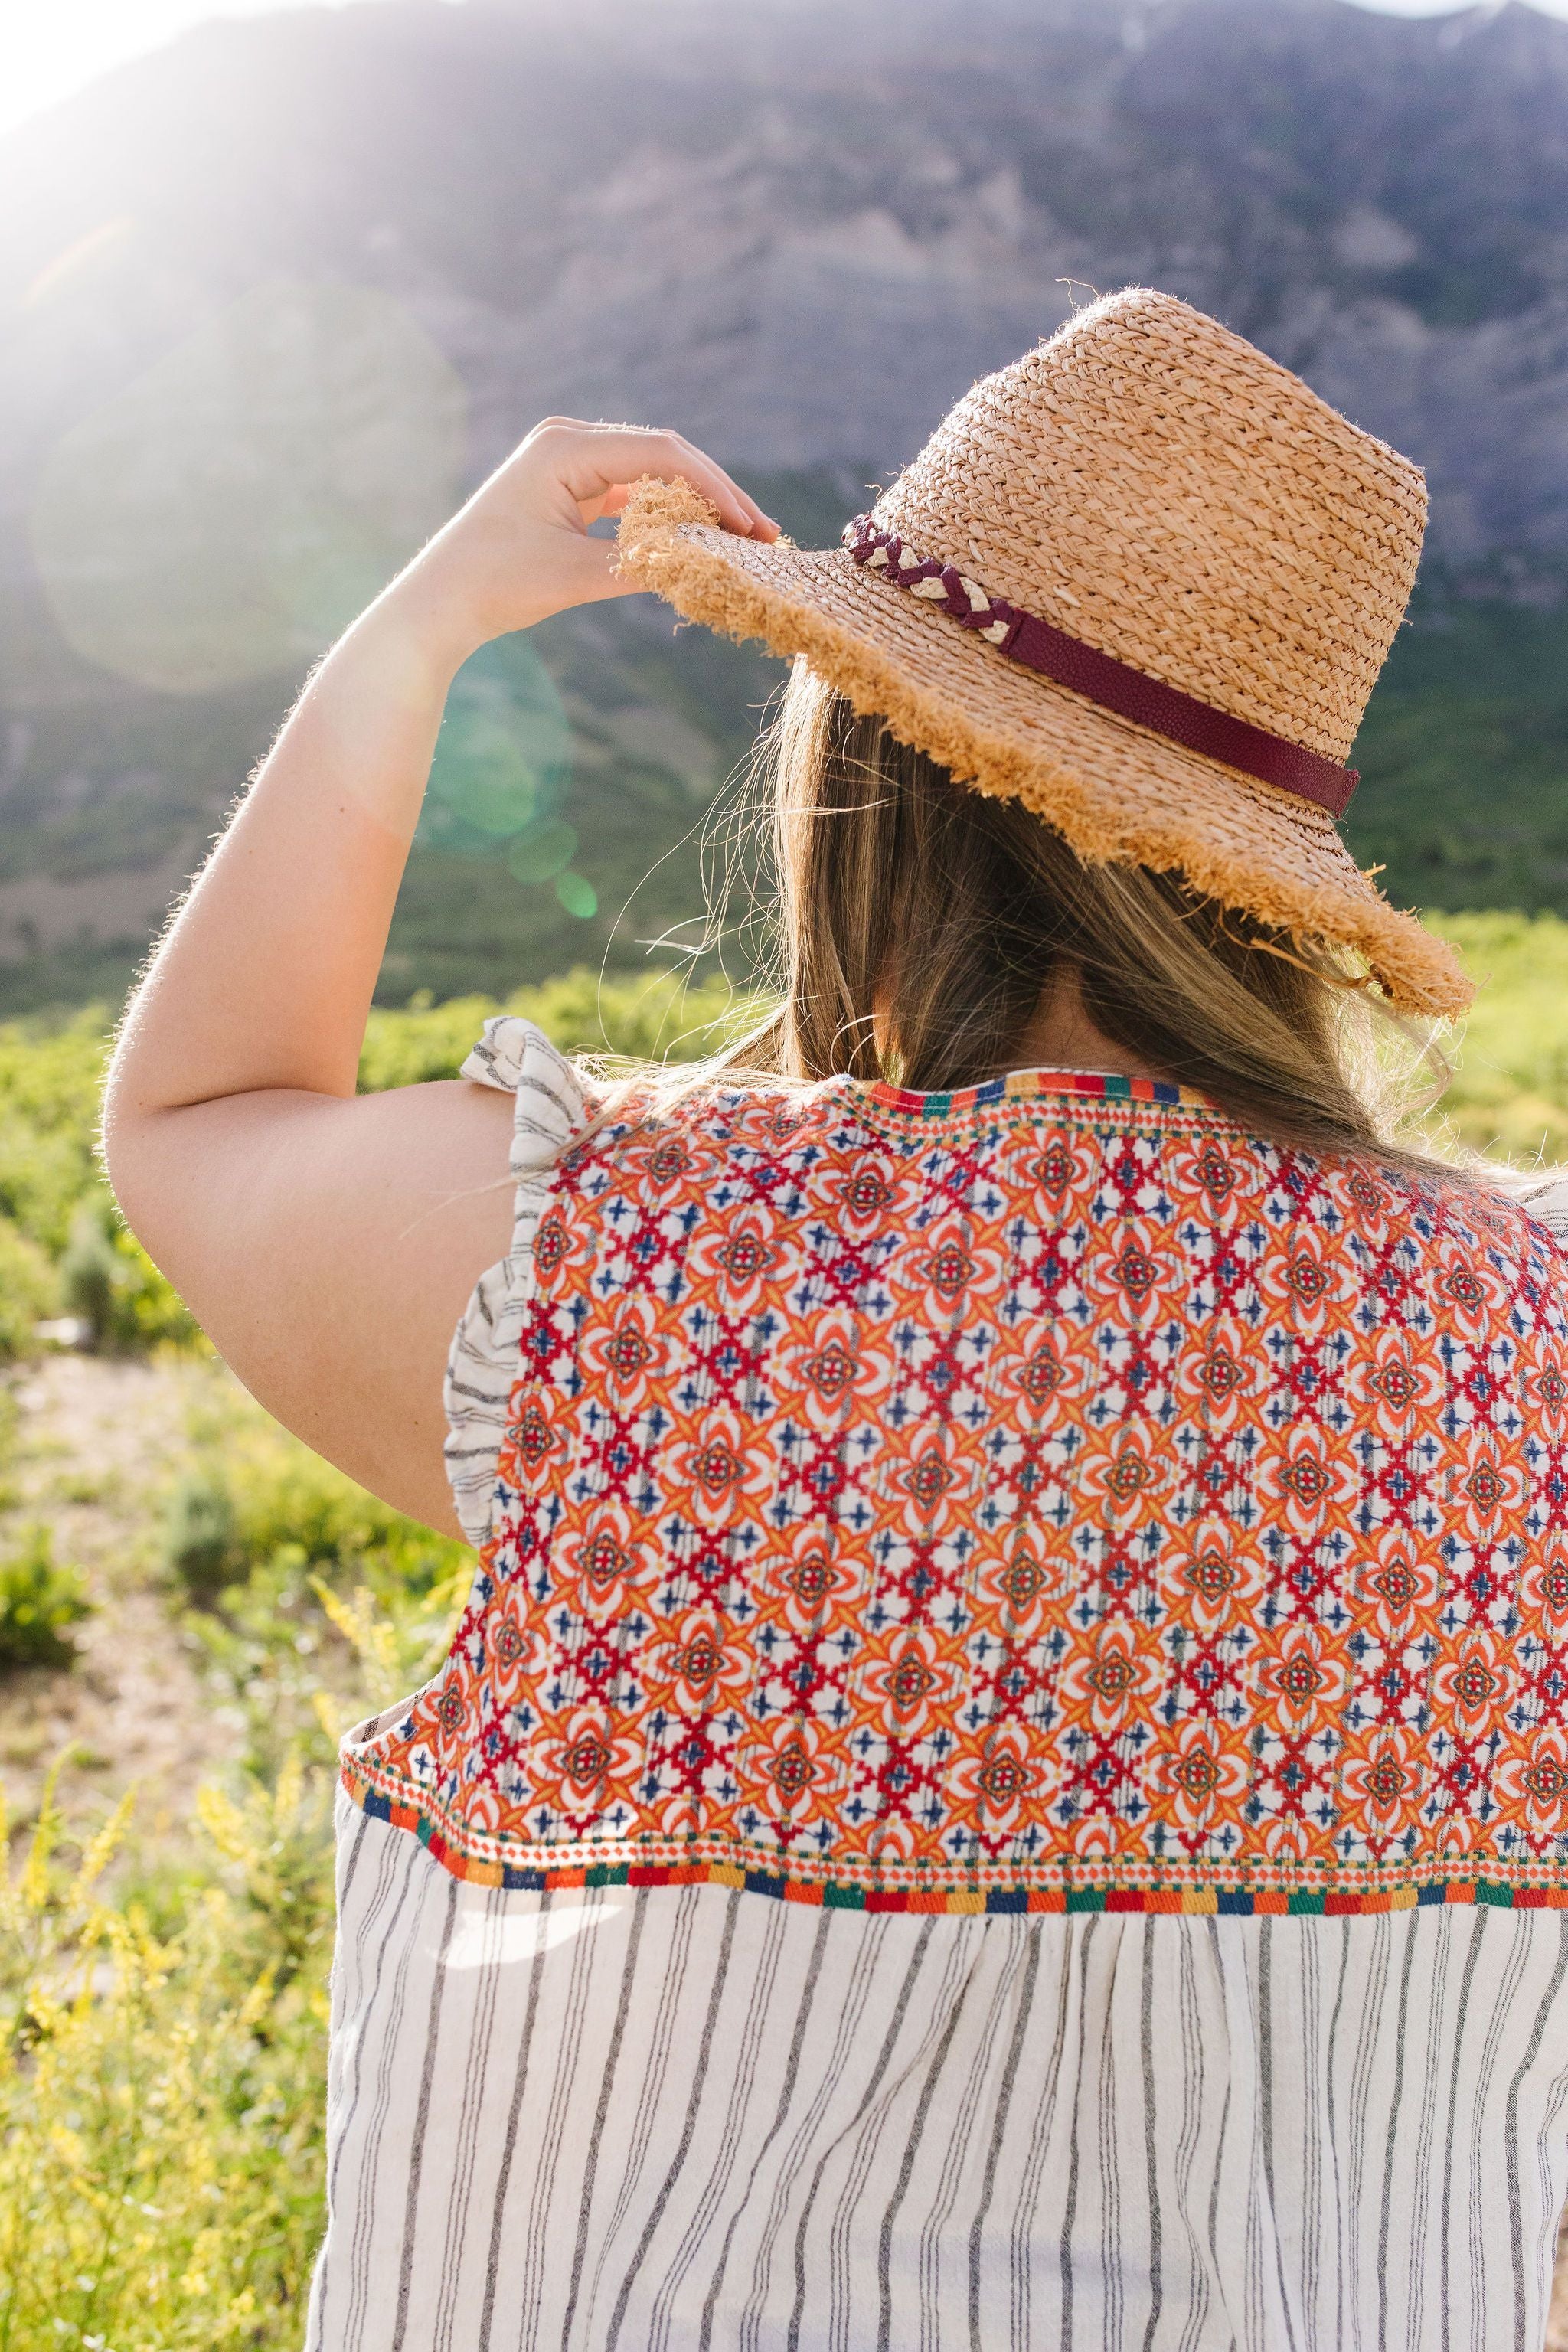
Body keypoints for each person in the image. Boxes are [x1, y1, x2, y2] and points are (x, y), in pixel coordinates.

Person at [103, 287, 1568, 2352]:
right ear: (1269, 881)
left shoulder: (620, 1264)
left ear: (863, 765)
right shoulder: (1532, 1339)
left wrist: (413, 632)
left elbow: (195, 1122)